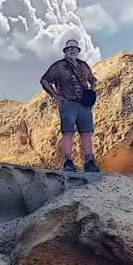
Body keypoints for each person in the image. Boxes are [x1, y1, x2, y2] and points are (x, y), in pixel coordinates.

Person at [41, 39, 99, 172]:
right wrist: (56, 96)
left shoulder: (83, 65)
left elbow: (92, 80)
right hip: (68, 103)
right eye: (70, 49)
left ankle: (88, 162)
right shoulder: (59, 66)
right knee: (68, 133)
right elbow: (45, 80)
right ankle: (67, 161)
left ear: (78, 51)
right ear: (65, 51)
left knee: (86, 133)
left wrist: (91, 93)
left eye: (75, 49)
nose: (73, 51)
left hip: (83, 105)